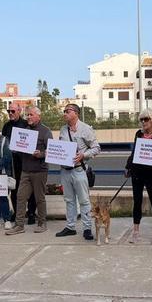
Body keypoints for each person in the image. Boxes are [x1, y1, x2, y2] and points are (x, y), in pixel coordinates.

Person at [55, 103, 100, 240]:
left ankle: (87, 228)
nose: (65, 113)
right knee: (69, 200)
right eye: (64, 111)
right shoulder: (63, 129)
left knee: (84, 201)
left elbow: (96, 148)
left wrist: (83, 155)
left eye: (67, 111)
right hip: (65, 171)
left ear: (76, 113)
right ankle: (70, 227)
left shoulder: (86, 129)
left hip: (79, 170)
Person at [125, 108, 152, 245]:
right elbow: (134, 152)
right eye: (141, 119)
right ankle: (136, 232)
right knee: (137, 201)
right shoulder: (139, 134)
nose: (143, 122)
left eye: (146, 119)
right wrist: (128, 167)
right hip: (137, 173)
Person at [6, 106, 52, 235]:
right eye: (27, 115)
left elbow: (52, 151)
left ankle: (42, 223)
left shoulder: (46, 131)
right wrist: (15, 147)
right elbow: (19, 148)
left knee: (39, 198)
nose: (28, 117)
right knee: (20, 197)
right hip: (25, 171)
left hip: (39, 171)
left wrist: (40, 154)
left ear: (38, 116)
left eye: (31, 115)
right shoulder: (24, 131)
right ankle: (19, 225)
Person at [2, 102, 36, 224]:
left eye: (13, 111)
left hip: (26, 162)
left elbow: (32, 141)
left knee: (30, 190)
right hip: (12, 163)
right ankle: (17, 213)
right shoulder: (6, 126)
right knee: (14, 189)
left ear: (19, 111)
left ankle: (31, 213)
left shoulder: (27, 124)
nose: (10, 113)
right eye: (9, 111)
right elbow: (4, 143)